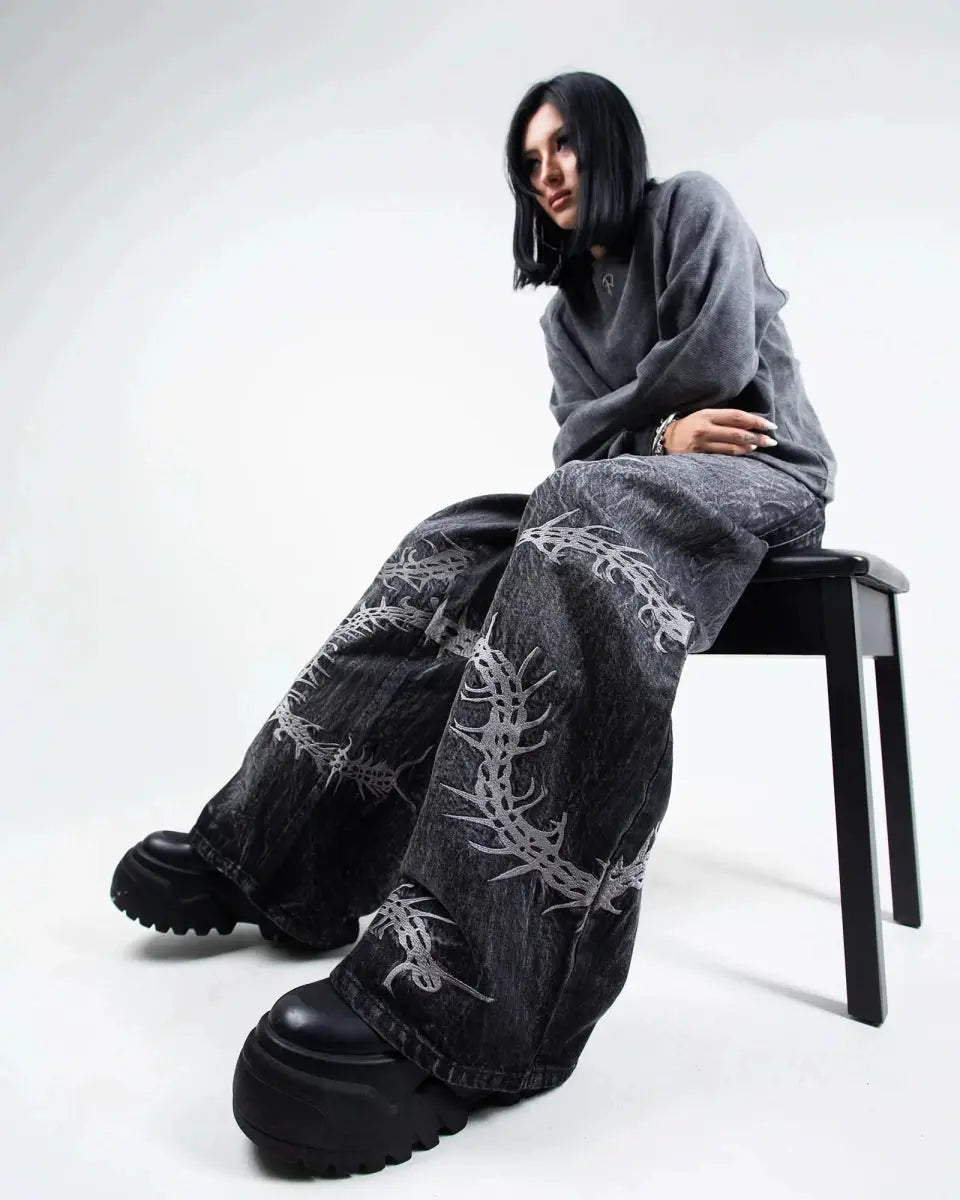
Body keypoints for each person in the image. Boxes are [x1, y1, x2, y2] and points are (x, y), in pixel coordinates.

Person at [109, 70, 836, 1177]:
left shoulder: (693, 208)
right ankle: (277, 855)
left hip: (767, 475)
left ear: (611, 145)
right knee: (453, 540)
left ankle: (467, 993)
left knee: (581, 519)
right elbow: (581, 446)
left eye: (565, 149)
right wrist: (651, 435)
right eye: (529, 163)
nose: (548, 175)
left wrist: (631, 436)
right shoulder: (565, 315)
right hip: (639, 479)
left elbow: (718, 373)